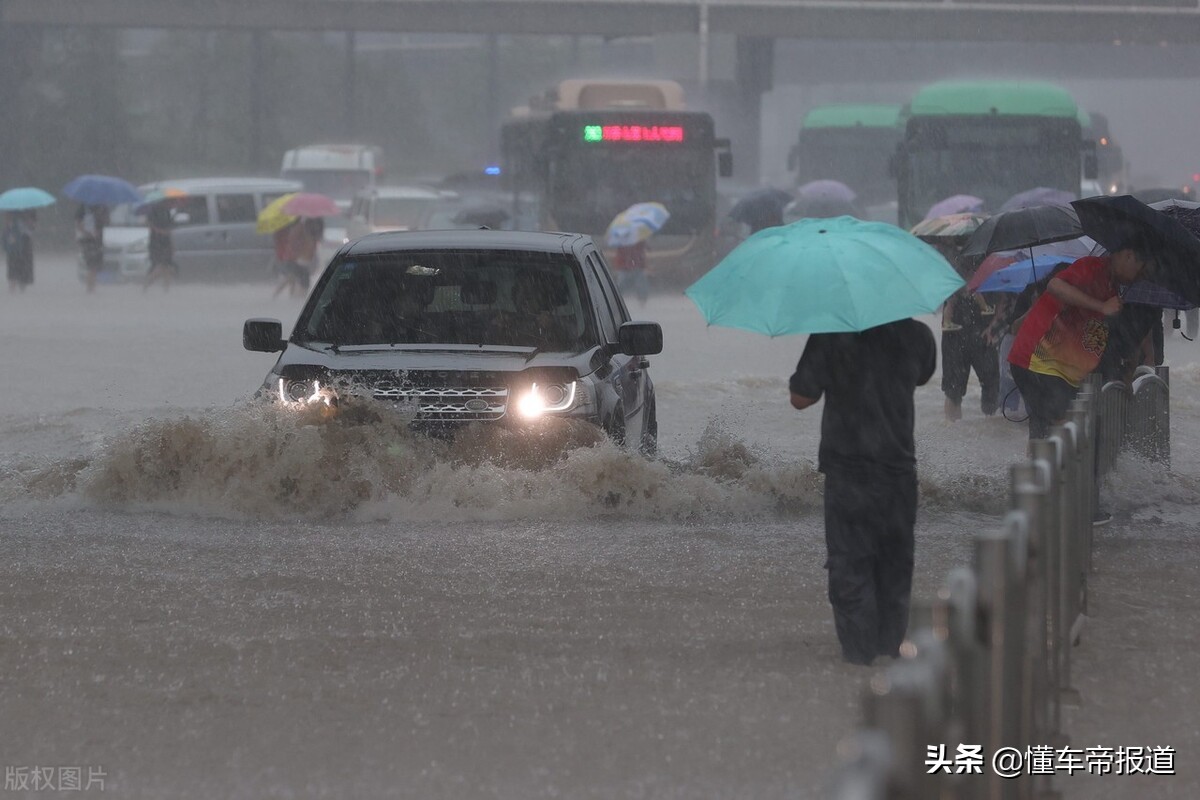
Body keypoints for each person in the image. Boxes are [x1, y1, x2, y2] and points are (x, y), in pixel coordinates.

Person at [789, 318, 937, 666]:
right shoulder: (918, 334)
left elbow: (800, 398)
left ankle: (858, 660)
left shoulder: (830, 333)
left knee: (850, 566)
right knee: (895, 567)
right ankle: (890, 656)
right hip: (898, 472)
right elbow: (922, 375)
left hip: (847, 474)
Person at [1007, 243, 1151, 440]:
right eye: (1141, 267)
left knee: (1045, 433)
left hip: (1064, 372)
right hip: (1038, 362)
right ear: (1128, 255)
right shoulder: (1092, 268)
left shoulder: (1114, 289)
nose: (1141, 275)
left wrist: (1126, 375)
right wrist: (1101, 306)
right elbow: (1055, 286)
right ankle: (1048, 468)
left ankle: (1039, 467)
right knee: (1064, 428)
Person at [143, 200, 179, 292]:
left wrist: (172, 243)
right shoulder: (153, 211)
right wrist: (158, 231)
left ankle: (165, 289)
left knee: (166, 267)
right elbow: (148, 223)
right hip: (156, 242)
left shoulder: (167, 212)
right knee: (162, 266)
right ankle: (147, 284)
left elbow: (170, 228)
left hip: (166, 242)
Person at [76, 204, 108, 293]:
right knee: (91, 266)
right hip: (87, 241)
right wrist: (89, 233)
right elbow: (78, 224)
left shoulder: (103, 207)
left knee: (96, 267)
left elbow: (105, 222)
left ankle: (92, 288)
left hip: (98, 242)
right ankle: (89, 289)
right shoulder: (83, 208)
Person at [3, 210, 35, 292]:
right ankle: (14, 288)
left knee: (21, 267)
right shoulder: (11, 219)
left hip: (21, 247)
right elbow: (6, 235)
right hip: (14, 248)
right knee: (13, 268)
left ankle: (19, 287)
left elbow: (30, 232)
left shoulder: (27, 214)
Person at [612, 240, 649, 307]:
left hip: (636, 265)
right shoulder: (622, 241)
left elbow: (644, 249)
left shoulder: (639, 240)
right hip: (625, 266)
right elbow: (620, 252)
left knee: (640, 283)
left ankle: (642, 300)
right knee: (621, 284)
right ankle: (616, 300)